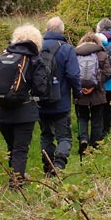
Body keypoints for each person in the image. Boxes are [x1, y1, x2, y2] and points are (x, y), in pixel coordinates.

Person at [0, 24, 49, 188]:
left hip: (2, 110)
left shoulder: (4, 56)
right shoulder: (35, 59)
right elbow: (41, 88)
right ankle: (16, 184)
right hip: (24, 111)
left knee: (11, 147)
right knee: (20, 149)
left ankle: (15, 175)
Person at [39, 17, 81, 177]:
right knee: (64, 136)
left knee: (46, 135)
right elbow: (73, 74)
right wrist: (77, 94)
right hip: (61, 101)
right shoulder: (67, 49)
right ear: (62, 31)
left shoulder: (37, 47)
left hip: (40, 102)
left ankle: (47, 168)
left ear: (47, 29)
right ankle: (59, 164)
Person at [75, 33, 111, 152]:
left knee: (82, 117)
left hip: (80, 93)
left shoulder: (76, 54)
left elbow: (72, 73)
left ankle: (83, 139)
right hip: (98, 93)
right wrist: (94, 85)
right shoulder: (101, 54)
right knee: (97, 119)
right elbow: (107, 72)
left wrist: (80, 87)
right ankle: (95, 145)